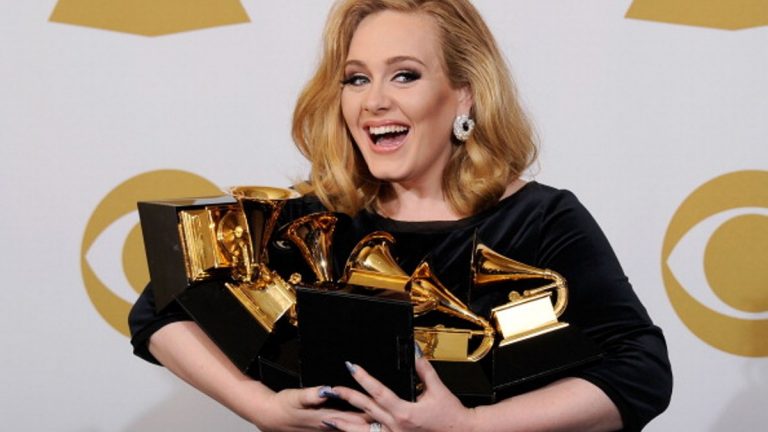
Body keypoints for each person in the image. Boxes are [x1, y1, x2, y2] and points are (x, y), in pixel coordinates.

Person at [129, 1, 672, 431]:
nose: (374, 101)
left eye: (405, 75)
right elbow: (160, 308)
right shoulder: (314, 219)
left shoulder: (540, 219)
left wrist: (470, 426)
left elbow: (639, 370)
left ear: (464, 94)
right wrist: (260, 406)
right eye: (357, 79)